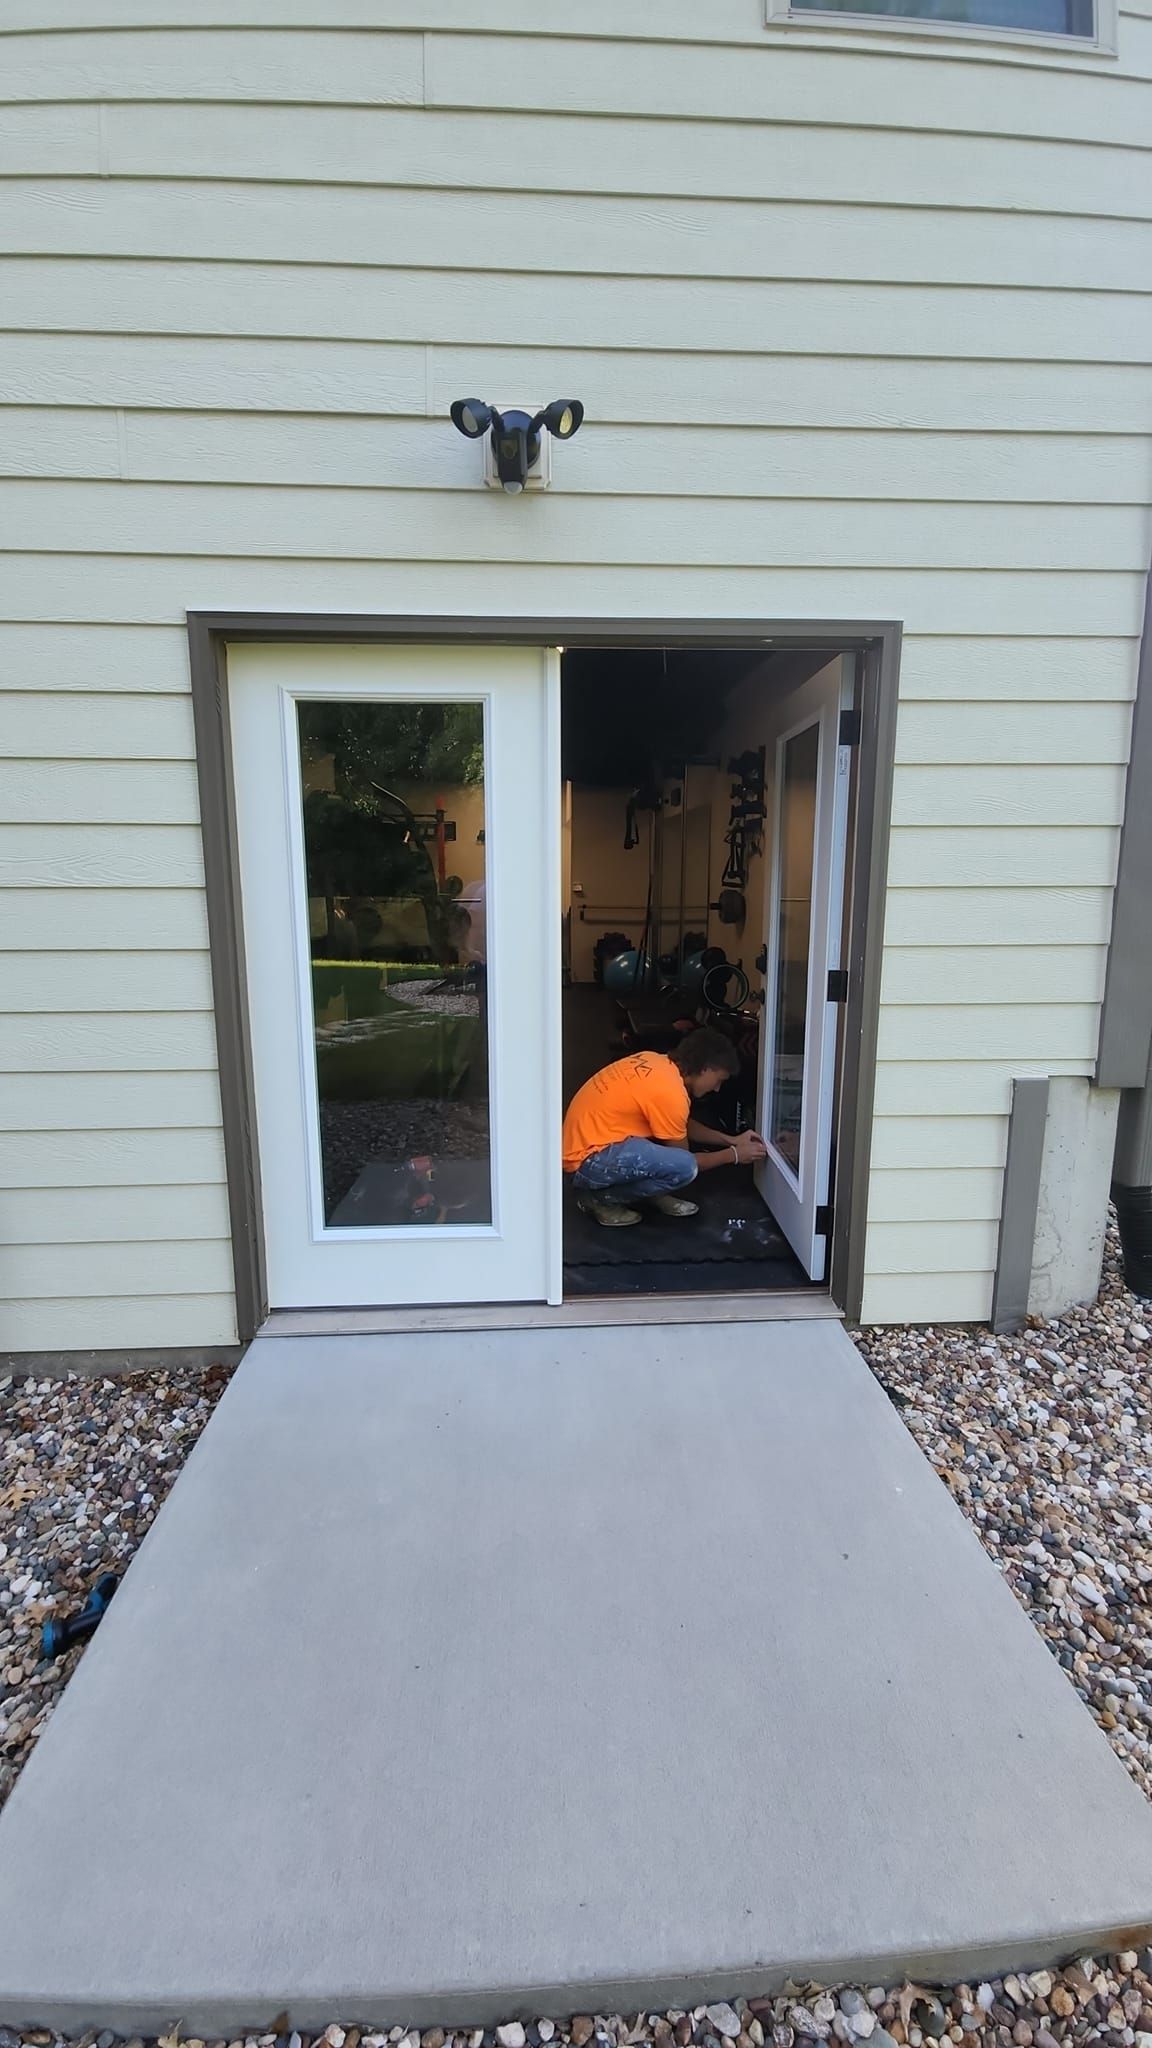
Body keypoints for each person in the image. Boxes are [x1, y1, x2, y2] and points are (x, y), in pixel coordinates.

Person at [562, 1026, 768, 1227]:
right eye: (718, 1080)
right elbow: (684, 1161)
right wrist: (734, 1155)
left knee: (665, 1150)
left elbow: (678, 1123)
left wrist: (731, 1139)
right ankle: (600, 1199)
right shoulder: (670, 1093)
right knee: (683, 1168)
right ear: (706, 1069)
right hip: (585, 1162)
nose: (717, 1088)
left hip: (590, 1146)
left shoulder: (657, 1062)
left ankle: (650, 1191)